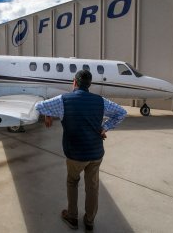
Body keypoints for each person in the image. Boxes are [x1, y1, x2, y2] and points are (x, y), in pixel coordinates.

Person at [35, 69, 127, 231]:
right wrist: (104, 128)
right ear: (89, 85)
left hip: (75, 154)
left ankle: (72, 217)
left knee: (72, 182)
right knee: (92, 187)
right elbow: (121, 112)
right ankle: (89, 221)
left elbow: (39, 106)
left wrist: (48, 114)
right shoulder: (100, 101)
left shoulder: (63, 100)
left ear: (74, 82)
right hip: (96, 153)